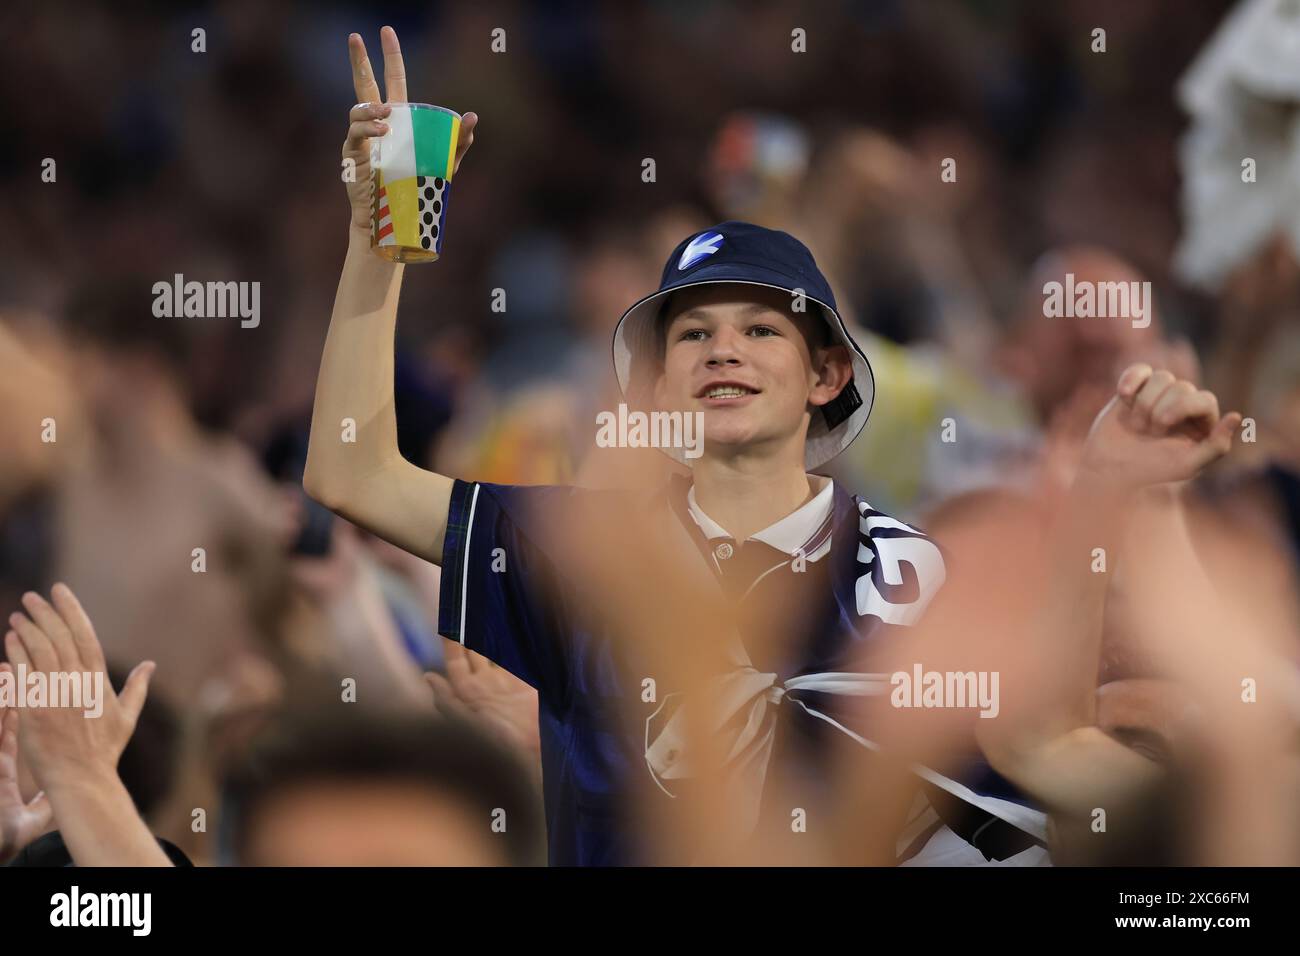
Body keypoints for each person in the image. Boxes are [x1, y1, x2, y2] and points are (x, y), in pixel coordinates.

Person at [304, 26, 1242, 865]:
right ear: (660, 383)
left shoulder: (914, 577)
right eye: (693, 333)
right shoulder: (583, 549)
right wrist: (380, 232)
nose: (723, 349)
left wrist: (1118, 493)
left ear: (827, 376)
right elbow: (352, 472)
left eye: (761, 331)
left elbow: (1049, 758)